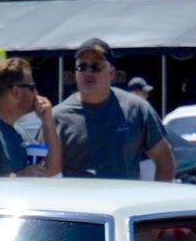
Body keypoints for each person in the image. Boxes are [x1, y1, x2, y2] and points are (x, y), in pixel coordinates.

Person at [55, 38, 174, 181]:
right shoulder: (57, 117)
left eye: (95, 67)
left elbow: (165, 160)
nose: (88, 72)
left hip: (123, 201)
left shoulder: (137, 109)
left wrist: (156, 199)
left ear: (111, 73)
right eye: (82, 66)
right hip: (78, 202)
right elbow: (45, 172)